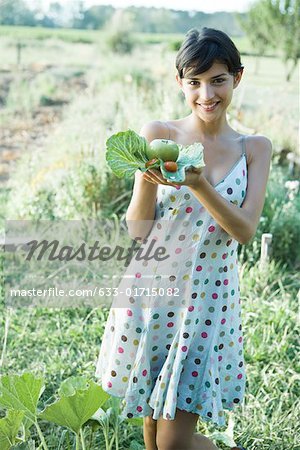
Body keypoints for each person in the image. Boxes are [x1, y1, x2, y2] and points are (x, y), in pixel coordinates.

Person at [95, 27, 272, 450]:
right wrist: (144, 179)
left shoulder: (255, 147)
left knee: (175, 443)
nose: (206, 94)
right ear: (180, 83)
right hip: (151, 293)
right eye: (194, 82)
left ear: (237, 78)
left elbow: (244, 230)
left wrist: (198, 185)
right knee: (155, 437)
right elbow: (138, 230)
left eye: (218, 80)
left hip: (208, 302)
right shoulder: (162, 133)